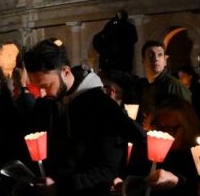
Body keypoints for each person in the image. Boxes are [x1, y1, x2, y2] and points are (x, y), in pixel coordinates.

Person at [24, 38, 127, 195]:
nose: (41, 94)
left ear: (65, 72)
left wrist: (60, 186)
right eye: (36, 87)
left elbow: (108, 168)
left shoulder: (100, 106)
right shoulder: (45, 104)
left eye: (46, 86)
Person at [136, 41, 191, 124]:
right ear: (143, 61)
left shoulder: (174, 86)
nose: (156, 58)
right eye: (151, 55)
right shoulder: (144, 87)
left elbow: (186, 118)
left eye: (160, 54)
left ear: (165, 61)